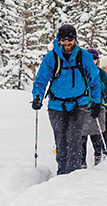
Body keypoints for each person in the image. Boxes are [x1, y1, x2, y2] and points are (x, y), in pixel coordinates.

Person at [32, 24, 101, 175]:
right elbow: (41, 80)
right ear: (59, 40)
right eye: (64, 40)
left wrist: (96, 102)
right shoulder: (51, 57)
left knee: (75, 138)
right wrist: (37, 96)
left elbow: (94, 80)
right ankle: (62, 172)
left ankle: (72, 174)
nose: (67, 43)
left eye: (70, 39)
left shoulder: (84, 56)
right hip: (56, 105)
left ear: (75, 40)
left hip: (79, 104)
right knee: (61, 140)